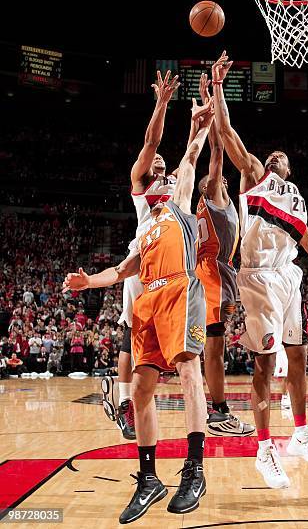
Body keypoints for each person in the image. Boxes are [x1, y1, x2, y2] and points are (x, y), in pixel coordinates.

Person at [63, 97, 213, 524]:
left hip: (181, 290)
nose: (162, 170)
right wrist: (89, 281)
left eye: (166, 169)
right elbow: (124, 268)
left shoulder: (180, 201)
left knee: (188, 372)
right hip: (147, 300)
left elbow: (190, 153)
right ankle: (149, 479)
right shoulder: (144, 226)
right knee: (142, 391)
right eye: (157, 170)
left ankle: (195, 469)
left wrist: (199, 118)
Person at [211, 51, 308, 489]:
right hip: (256, 277)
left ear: (290, 169)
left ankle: (301, 434)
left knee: (298, 356)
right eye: (273, 153)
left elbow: (307, 240)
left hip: (290, 276)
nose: (276, 156)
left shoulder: (296, 198)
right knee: (263, 363)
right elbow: (230, 135)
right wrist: (218, 88)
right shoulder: (254, 175)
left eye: (282, 155)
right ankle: (264, 449)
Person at [101, 70, 180, 441]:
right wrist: (161, 104)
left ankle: (132, 400)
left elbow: (197, 156)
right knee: (131, 334)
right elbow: (152, 141)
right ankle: (124, 404)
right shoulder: (140, 185)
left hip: (175, 266)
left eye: (164, 162)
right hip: (142, 262)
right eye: (155, 161)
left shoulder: (177, 184)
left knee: (158, 342)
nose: (159, 162)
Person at [194, 72, 254, 437]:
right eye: (217, 181)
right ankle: (218, 412)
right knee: (214, 351)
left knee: (210, 349)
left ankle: (210, 407)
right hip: (214, 282)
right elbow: (217, 151)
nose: (223, 181)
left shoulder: (214, 205)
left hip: (214, 279)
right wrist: (212, 98)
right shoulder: (214, 198)